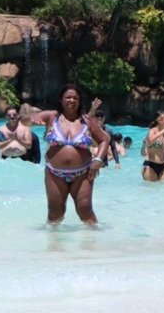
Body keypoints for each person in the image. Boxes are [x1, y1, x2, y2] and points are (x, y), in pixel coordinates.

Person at [22, 84, 111, 223]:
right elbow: (23, 121)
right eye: (68, 97)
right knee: (55, 213)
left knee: (85, 210)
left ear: (80, 101)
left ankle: (94, 237)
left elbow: (104, 140)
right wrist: (30, 119)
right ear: (61, 99)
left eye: (75, 98)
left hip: (83, 173)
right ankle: (52, 237)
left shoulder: (87, 121)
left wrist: (98, 160)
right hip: (54, 173)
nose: (72, 100)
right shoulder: (51, 116)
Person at [141, 112, 164, 181]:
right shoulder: (152, 131)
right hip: (150, 165)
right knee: (150, 188)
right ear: (159, 121)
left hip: (162, 166)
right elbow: (151, 140)